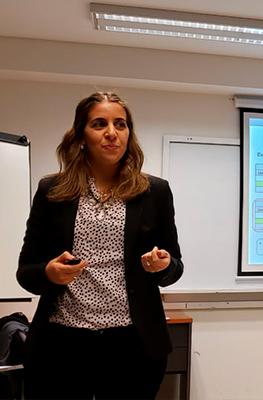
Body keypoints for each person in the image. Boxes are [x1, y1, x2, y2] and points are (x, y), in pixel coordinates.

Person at [17, 92, 184, 400]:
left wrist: (162, 265)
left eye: (120, 124)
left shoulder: (155, 192)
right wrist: (50, 273)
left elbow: (174, 267)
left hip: (133, 345)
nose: (111, 132)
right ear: (81, 135)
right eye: (99, 124)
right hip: (63, 342)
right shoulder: (52, 191)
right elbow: (26, 271)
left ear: (129, 134)